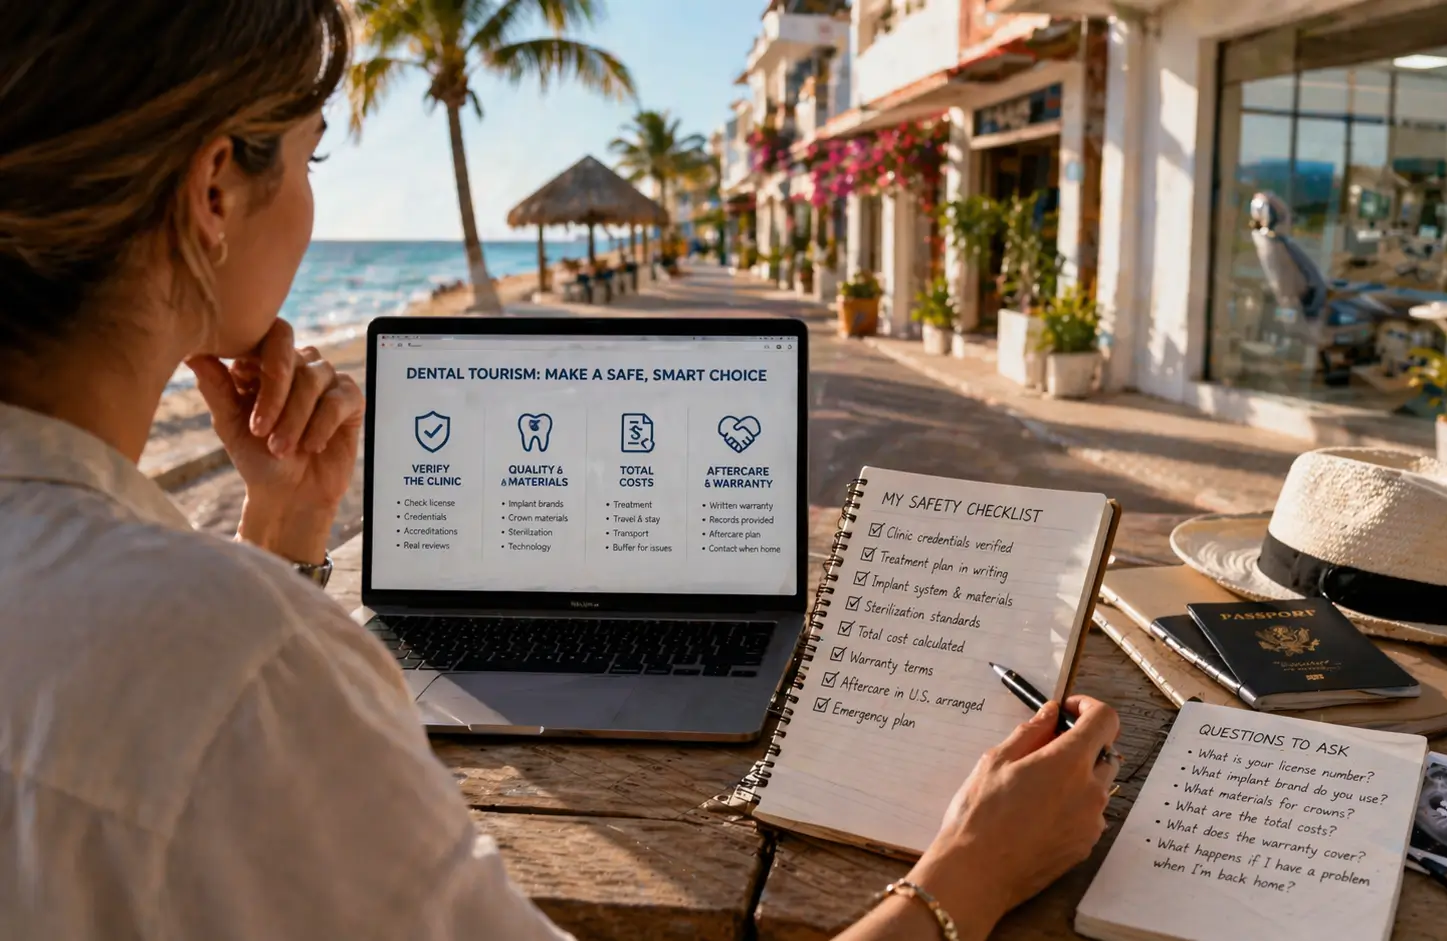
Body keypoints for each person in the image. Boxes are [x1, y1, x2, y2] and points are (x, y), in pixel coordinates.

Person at [0, 4, 1122, 940]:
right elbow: (219, 699)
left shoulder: (153, 607)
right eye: (308, 156)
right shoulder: (239, 655)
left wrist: (287, 528)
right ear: (211, 192)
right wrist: (968, 869)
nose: (308, 200)